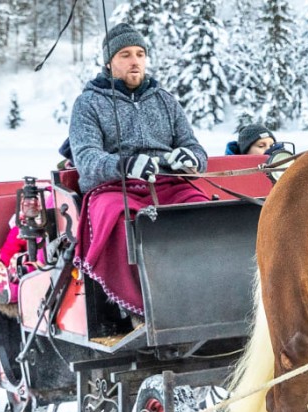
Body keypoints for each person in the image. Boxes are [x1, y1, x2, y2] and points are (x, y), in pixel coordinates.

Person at [68, 22, 210, 319]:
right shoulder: (88, 104)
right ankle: (138, 309)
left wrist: (189, 158)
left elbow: (195, 148)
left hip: (168, 184)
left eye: (140, 53)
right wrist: (125, 165)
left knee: (206, 213)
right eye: (125, 55)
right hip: (113, 188)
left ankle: (208, 294)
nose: (135, 61)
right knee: (121, 221)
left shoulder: (165, 100)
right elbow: (87, 158)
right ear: (109, 62)